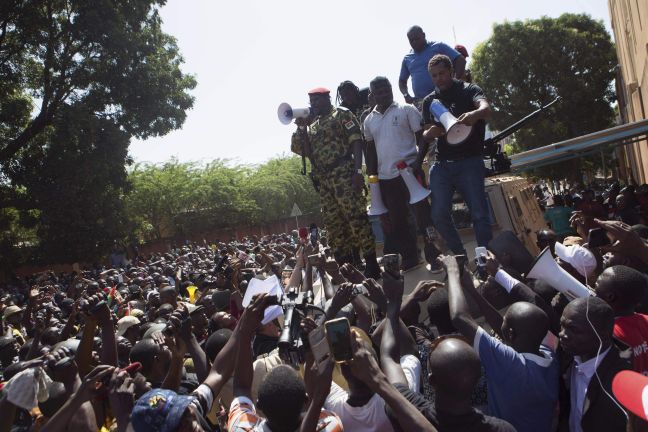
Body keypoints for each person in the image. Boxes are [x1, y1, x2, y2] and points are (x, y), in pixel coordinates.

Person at [440, 254, 559, 432]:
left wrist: (452, 272)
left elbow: (459, 318)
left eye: (505, 322)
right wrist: (471, 290)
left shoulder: (510, 364)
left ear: (510, 334)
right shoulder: (548, 354)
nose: (500, 323)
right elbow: (505, 328)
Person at [291, 87, 380, 277]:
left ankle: (372, 263)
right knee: (333, 224)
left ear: (327, 98)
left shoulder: (341, 114)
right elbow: (300, 149)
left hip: (344, 173)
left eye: (316, 100)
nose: (313, 104)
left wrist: (358, 171)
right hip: (324, 180)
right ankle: (347, 266)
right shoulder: (312, 124)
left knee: (356, 217)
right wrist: (301, 127)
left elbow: (356, 141)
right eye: (311, 101)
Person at [363, 76, 442, 270]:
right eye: (379, 92)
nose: (384, 94)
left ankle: (435, 255)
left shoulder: (407, 110)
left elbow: (422, 138)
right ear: (372, 95)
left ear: (391, 89)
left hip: (410, 172)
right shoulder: (368, 120)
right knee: (398, 222)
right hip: (386, 179)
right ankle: (410, 258)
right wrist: (372, 178)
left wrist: (416, 163)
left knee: (424, 217)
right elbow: (370, 151)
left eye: (387, 90)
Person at [422, 54, 493, 255]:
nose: (438, 79)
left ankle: (485, 260)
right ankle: (459, 255)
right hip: (443, 164)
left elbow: (486, 108)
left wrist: (474, 115)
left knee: (479, 214)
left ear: (452, 72)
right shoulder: (429, 101)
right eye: (434, 76)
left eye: (442, 74)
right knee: (438, 215)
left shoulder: (469, 90)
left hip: (470, 161)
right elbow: (426, 132)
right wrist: (431, 133)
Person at [558, 296, 631, 432]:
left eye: (573, 329)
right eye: (562, 325)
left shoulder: (623, 378)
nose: (562, 334)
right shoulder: (566, 353)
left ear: (602, 334)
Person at [594, 265, 648, 374]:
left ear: (610, 297)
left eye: (597, 283)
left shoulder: (608, 332)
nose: (593, 287)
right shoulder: (646, 320)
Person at [399, 26, 465, 107]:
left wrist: (455, 83)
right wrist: (406, 94)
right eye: (411, 40)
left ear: (423, 35)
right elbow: (402, 81)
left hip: (445, 97)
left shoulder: (438, 46)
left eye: (417, 39)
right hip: (423, 103)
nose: (414, 42)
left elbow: (460, 60)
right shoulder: (407, 58)